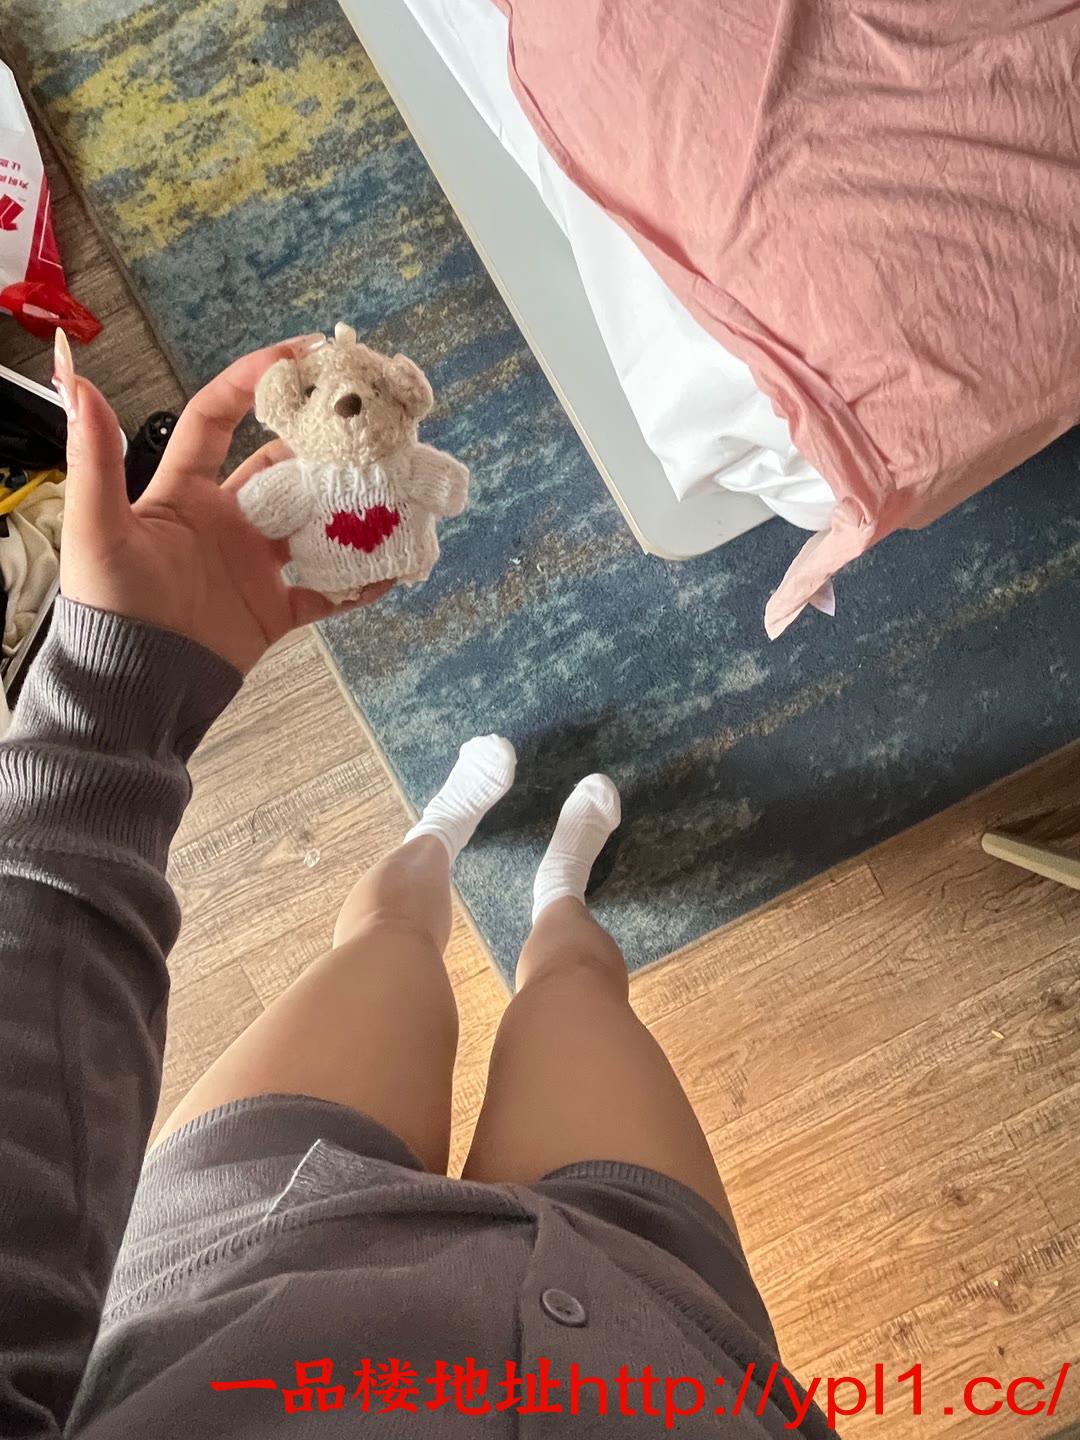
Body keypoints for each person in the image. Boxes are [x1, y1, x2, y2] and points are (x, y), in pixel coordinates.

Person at [0, 333, 833, 1437]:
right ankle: (557, 891)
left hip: (249, 1243)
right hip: (652, 1316)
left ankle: (441, 835)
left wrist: (111, 707)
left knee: (386, 943)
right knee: (578, 986)